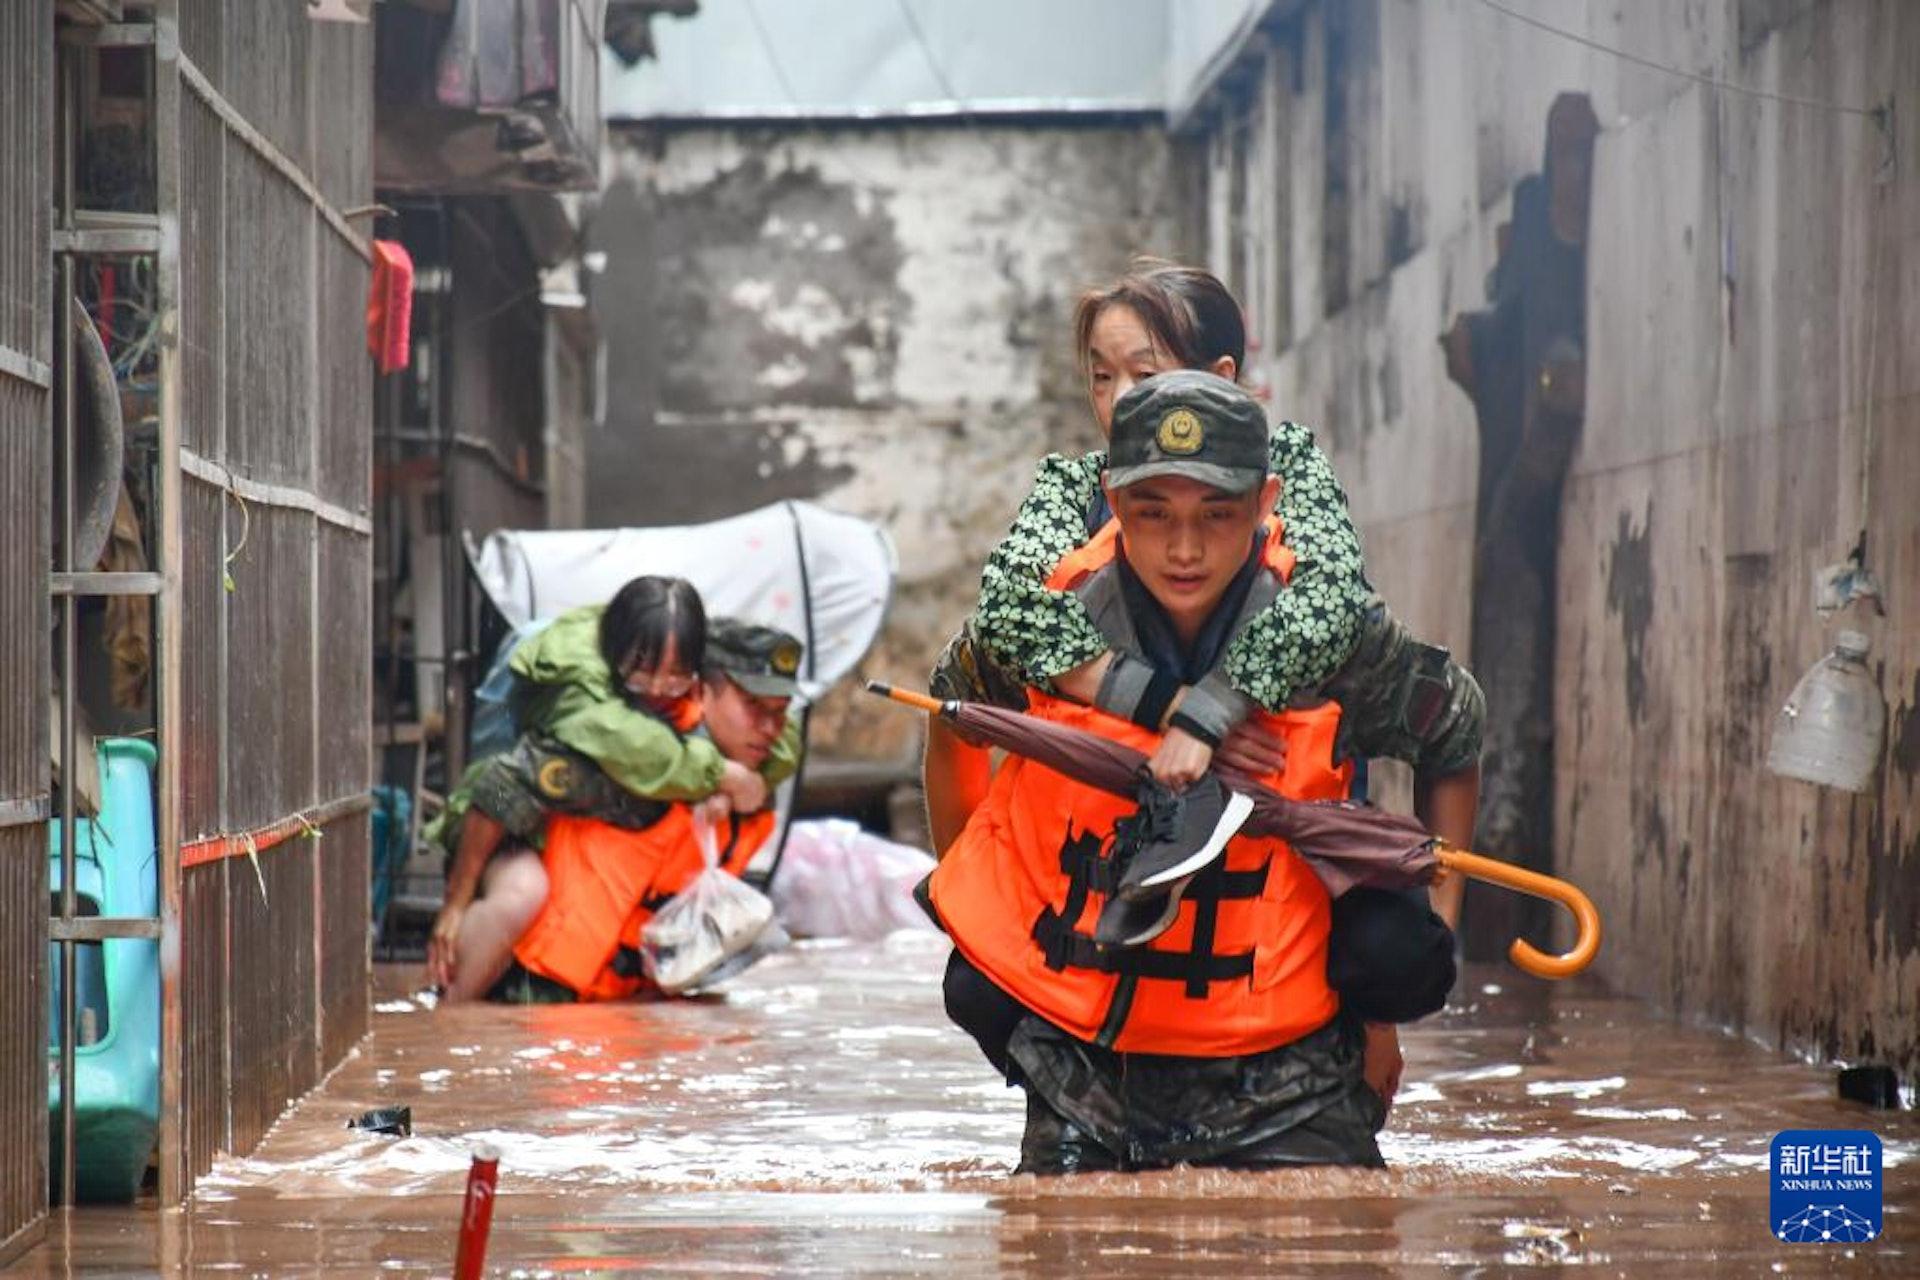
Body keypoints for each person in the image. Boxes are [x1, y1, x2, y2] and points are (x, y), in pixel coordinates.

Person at [926, 260, 1482, 1100]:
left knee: (1386, 945)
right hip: (1106, 894)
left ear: (1256, 504)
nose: (1183, 550)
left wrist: (1396, 996)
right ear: (1117, 502)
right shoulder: (1069, 541)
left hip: (1274, 881)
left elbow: (1349, 629)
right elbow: (972, 667)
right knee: (982, 981)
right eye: (1101, 378)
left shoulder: (1300, 545)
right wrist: (1152, 704)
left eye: (1145, 376)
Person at [425, 578, 799, 1000]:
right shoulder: (605, 733)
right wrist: (454, 906)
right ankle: (445, 1008)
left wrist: (726, 785)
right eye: (642, 675)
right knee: (521, 893)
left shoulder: (711, 745)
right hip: (497, 831)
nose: (658, 691)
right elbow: (498, 790)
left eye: (675, 678)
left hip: (601, 954)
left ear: (695, 678)